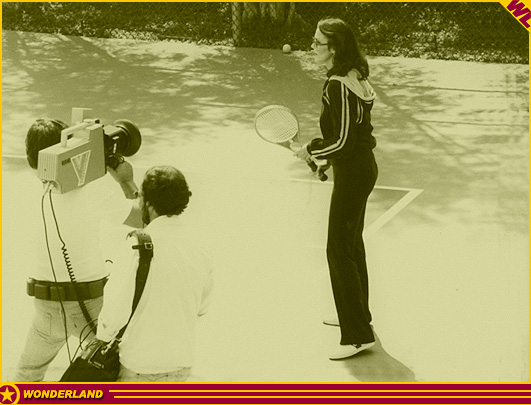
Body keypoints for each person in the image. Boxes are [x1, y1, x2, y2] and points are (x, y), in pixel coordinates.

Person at [14, 118, 142, 381]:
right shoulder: (91, 190)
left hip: (45, 307)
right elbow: (144, 218)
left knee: (28, 372)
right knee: (118, 368)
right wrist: (126, 181)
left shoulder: (29, 189)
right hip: (90, 304)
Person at [293, 18, 378, 360]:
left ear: (335, 48)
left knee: (338, 249)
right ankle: (357, 316)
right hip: (358, 169)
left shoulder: (338, 86)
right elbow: (351, 136)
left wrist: (312, 150)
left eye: (317, 43)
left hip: (355, 172)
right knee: (351, 244)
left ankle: (357, 335)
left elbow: (342, 140)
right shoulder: (354, 77)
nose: (312, 48)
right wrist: (326, 160)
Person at [96, 166, 213, 382]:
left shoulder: (137, 245)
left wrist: (101, 338)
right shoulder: (199, 246)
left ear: (148, 204)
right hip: (182, 364)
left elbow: (115, 311)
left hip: (139, 365)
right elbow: (202, 306)